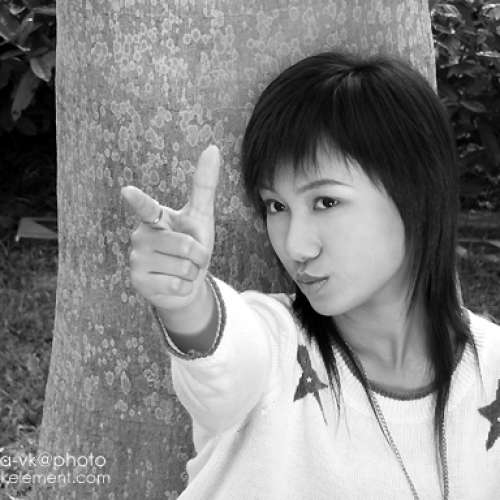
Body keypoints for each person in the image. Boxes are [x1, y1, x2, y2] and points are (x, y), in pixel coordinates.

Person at [120, 52, 500, 500]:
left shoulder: (492, 366)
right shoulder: (278, 345)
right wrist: (186, 300)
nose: (296, 246)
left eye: (326, 202)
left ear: (418, 190)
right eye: (276, 206)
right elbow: (224, 365)